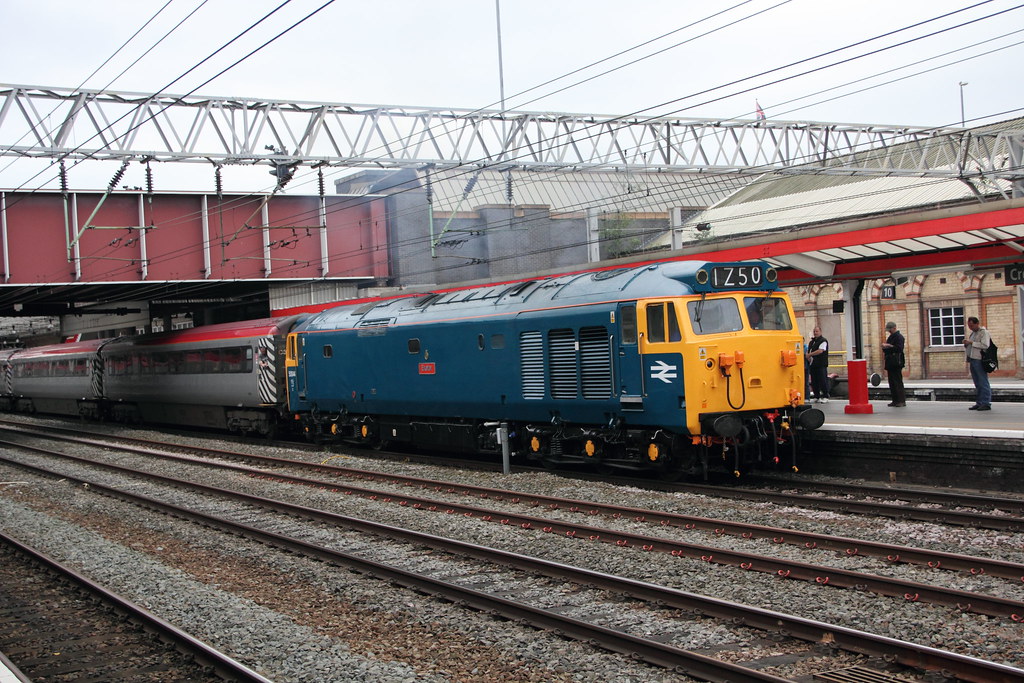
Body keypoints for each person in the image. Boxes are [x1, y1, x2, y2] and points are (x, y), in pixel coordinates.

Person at [963, 316, 992, 411]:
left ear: (976, 323)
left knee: (983, 381)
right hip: (972, 359)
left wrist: (971, 343)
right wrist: (966, 344)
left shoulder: (983, 332)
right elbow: (972, 344)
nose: (970, 328)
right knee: (977, 382)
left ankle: (986, 403)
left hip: (979, 359)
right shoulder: (973, 333)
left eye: (971, 325)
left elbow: (985, 345)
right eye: (969, 326)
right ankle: (979, 402)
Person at [880, 321, 906, 407]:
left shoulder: (899, 337)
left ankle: (901, 401)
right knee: (891, 382)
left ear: (894, 328)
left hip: (897, 362)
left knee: (897, 381)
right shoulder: (891, 337)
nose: (889, 331)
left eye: (890, 329)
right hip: (890, 362)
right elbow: (886, 350)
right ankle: (895, 400)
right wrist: (885, 347)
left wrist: (889, 346)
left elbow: (899, 348)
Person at [806, 325, 830, 403]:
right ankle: (817, 396)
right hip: (813, 364)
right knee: (814, 381)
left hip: (821, 364)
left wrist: (810, 354)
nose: (815, 333)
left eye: (817, 331)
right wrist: (808, 355)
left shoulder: (823, 341)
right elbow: (809, 350)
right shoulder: (811, 342)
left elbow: (820, 350)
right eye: (814, 331)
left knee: (822, 380)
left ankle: (826, 395)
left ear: (820, 332)